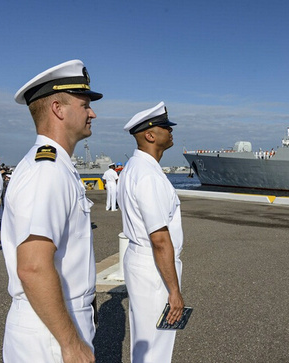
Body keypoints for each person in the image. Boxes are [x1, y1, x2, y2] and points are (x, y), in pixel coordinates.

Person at [1, 59, 103, 362]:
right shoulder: (48, 171)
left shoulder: (53, 165)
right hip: (51, 332)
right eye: (84, 105)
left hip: (53, 320)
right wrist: (70, 344)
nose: (92, 112)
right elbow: (32, 266)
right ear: (58, 108)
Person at [117, 101, 185, 362]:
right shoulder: (148, 176)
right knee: (156, 346)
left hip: (141, 261)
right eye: (166, 127)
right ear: (150, 135)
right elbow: (159, 239)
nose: (171, 132)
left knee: (145, 342)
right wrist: (174, 291)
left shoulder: (134, 169)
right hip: (154, 267)